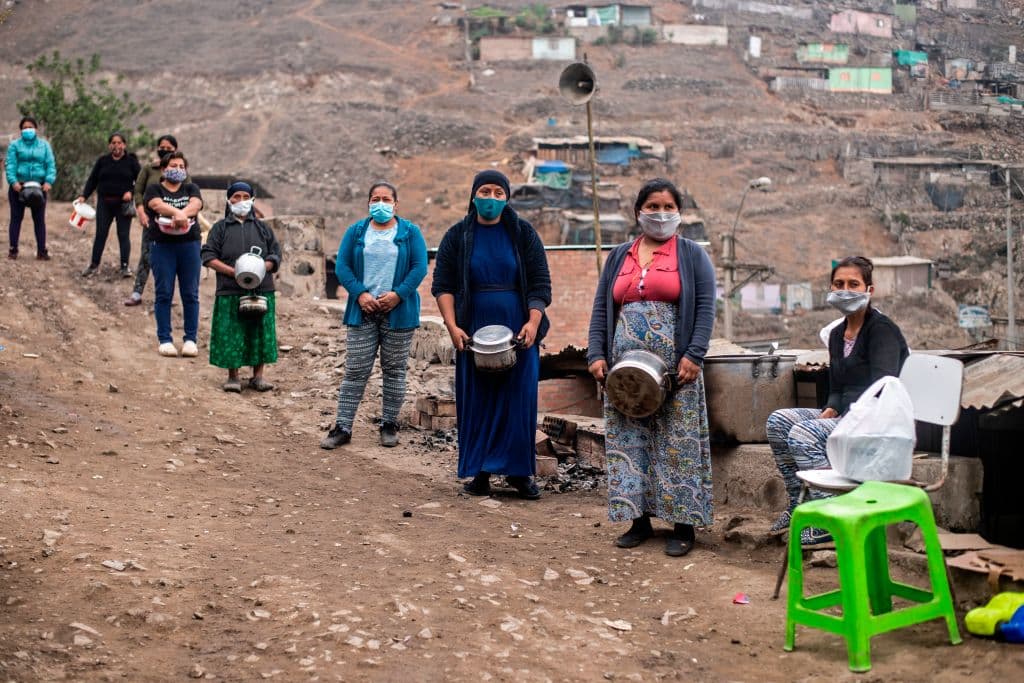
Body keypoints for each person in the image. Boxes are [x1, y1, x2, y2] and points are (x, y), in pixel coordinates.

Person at [587, 178, 715, 557]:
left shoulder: (691, 255)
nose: (660, 214)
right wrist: (596, 355)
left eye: (668, 207)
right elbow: (600, 309)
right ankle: (637, 519)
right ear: (638, 212)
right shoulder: (619, 256)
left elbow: (706, 306)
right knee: (630, 441)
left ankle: (683, 524)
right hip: (625, 372)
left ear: (680, 213)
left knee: (678, 443)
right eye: (653, 207)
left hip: (677, 369)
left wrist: (694, 354)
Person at [765, 255, 909, 544]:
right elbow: (837, 385)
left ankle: (828, 517)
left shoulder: (882, 331)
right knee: (778, 421)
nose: (845, 290)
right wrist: (831, 407)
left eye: (854, 284)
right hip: (847, 415)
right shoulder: (837, 334)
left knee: (804, 433)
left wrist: (846, 415)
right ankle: (799, 506)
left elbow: (883, 389)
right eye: (839, 284)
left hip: (875, 421)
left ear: (869, 290)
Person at [430, 170, 551, 500]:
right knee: (478, 400)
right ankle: (480, 471)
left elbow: (540, 284)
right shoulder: (458, 236)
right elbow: (443, 286)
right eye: (485, 191)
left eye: (499, 192)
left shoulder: (523, 233)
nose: (492, 198)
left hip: (518, 326)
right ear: (473, 195)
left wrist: (533, 322)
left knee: (518, 398)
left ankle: (518, 473)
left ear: (507, 198)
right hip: (473, 326)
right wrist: (453, 327)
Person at [321, 181, 428, 449]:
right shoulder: (357, 231)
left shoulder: (410, 232)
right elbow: (343, 266)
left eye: (386, 199)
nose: (380, 203)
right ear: (368, 203)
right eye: (375, 198)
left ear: (396, 204)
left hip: (398, 312)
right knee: (355, 370)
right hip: (363, 310)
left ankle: (389, 425)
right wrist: (360, 294)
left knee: (393, 370)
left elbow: (419, 267)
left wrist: (397, 295)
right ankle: (343, 427)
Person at [201, 181, 281, 392]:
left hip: (261, 289)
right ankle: (233, 376)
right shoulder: (220, 228)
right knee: (232, 331)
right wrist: (233, 272)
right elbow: (208, 255)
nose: (241, 201)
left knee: (259, 331)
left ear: (252, 199)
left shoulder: (263, 228)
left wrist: (264, 266)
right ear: (229, 200)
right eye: (236, 196)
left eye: (246, 197)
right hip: (230, 289)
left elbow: (275, 253)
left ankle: (258, 376)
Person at [143, 151, 204, 358]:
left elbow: (196, 204)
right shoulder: (154, 189)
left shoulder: (191, 188)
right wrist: (178, 213)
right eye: (173, 166)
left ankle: (190, 340)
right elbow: (155, 205)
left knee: (190, 293)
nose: (177, 170)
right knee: (163, 293)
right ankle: (165, 339)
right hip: (162, 246)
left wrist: (181, 213)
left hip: (189, 245)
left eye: (181, 167)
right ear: (163, 169)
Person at [125, 135, 187, 306]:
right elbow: (138, 191)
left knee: (170, 258)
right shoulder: (149, 169)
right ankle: (137, 292)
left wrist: (181, 216)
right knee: (147, 254)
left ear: (175, 150)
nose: (165, 151)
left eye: (169, 148)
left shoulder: (181, 171)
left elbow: (189, 193)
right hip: (152, 221)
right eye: (162, 147)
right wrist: (141, 211)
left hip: (174, 223)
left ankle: (167, 295)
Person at [78, 132, 142, 278]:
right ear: (109, 145)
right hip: (104, 203)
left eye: (119, 143)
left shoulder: (131, 162)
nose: (116, 146)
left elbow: (140, 182)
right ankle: (93, 265)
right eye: (113, 143)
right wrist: (84, 195)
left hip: (123, 205)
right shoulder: (102, 161)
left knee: (123, 235)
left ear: (124, 145)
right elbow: (92, 179)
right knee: (100, 234)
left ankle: (125, 267)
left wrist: (131, 192)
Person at [5, 116, 56, 260]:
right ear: (21, 130)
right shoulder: (14, 145)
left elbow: (50, 165)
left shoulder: (44, 145)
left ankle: (42, 251)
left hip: (39, 188)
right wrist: (13, 181)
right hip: (19, 187)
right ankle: (13, 249)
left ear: (36, 129)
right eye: (25, 128)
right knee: (16, 218)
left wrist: (48, 181)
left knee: (39, 220)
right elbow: (10, 165)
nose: (28, 130)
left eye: (30, 127)